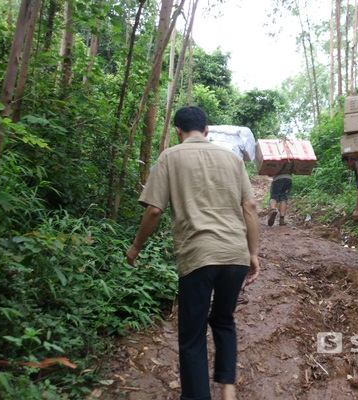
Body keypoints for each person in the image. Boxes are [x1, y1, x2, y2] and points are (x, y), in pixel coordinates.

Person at [126, 106, 260, 400]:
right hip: (234, 255)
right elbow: (250, 207)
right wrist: (253, 253)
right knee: (224, 319)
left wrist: (136, 246)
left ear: (177, 131)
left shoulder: (170, 157)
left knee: (192, 335)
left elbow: (154, 209)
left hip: (197, 256)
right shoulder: (231, 158)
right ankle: (228, 389)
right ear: (207, 130)